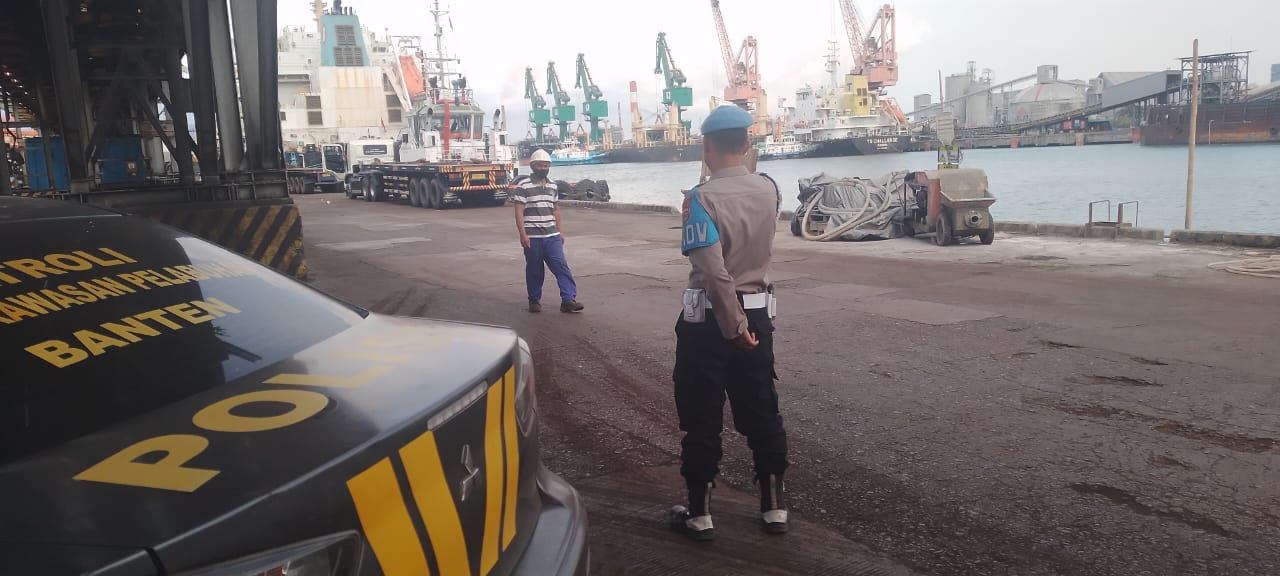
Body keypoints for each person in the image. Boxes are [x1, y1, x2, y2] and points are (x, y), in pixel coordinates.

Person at [669, 105, 788, 541]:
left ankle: (700, 515)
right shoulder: (770, 190)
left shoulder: (700, 199)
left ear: (706, 145)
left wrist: (733, 326)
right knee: (762, 408)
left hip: (710, 321)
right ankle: (773, 507)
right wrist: (745, 324)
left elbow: (714, 271)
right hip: (759, 316)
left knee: (701, 415)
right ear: (748, 143)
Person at [513, 149, 584, 314]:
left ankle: (568, 299)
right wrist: (523, 235)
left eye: (546, 166)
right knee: (535, 270)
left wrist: (560, 231)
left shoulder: (553, 186)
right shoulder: (523, 186)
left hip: (552, 236)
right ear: (533, 166)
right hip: (533, 237)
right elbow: (519, 211)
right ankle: (534, 300)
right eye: (540, 165)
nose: (543, 168)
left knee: (561, 267)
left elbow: (556, 209)